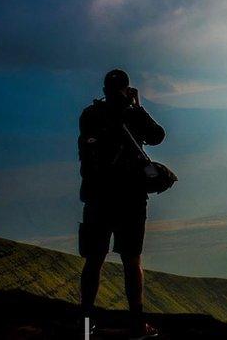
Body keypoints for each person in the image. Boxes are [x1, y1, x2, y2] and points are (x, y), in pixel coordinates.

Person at [78, 69, 164, 339]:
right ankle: (137, 326)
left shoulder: (90, 115)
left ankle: (84, 328)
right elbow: (157, 136)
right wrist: (136, 106)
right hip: (130, 199)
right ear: (127, 89)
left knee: (93, 261)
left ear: (104, 88)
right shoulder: (133, 114)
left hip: (97, 198)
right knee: (131, 261)